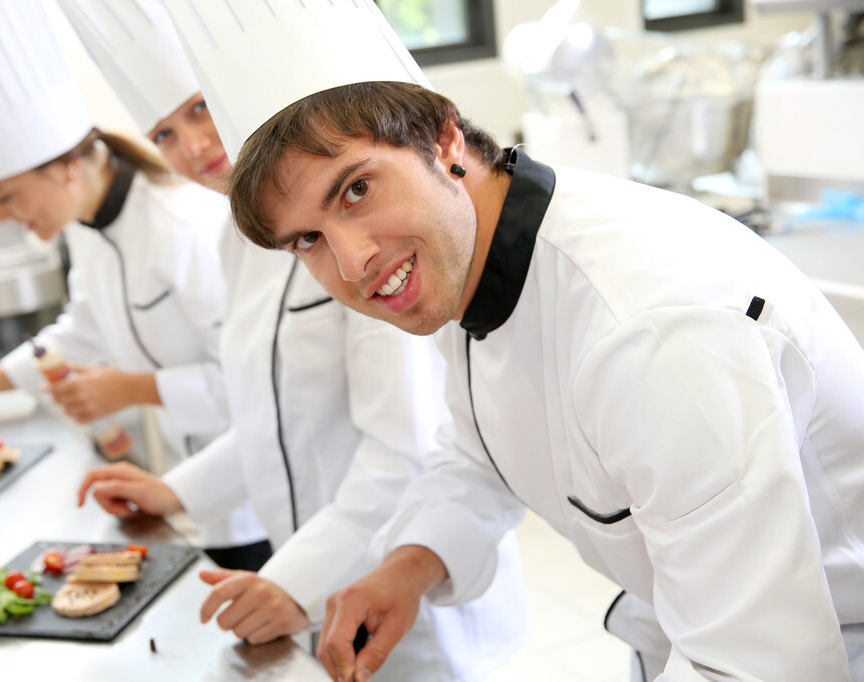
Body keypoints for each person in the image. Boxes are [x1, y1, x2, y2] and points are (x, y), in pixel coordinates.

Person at [168, 2, 864, 681]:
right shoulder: (463, 261)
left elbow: (764, 662)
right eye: (308, 239)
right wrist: (406, 568)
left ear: (442, 142)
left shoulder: (648, 329)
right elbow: (478, 452)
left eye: (355, 189)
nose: (351, 265)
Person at [60, 0, 531, 679]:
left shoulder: (382, 251)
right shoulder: (234, 239)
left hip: (415, 591)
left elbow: (404, 449)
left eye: (199, 108)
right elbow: (264, 416)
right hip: (318, 578)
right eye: (163, 133)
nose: (192, 145)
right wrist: (180, 492)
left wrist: (294, 581)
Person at [0, 0, 269, 571]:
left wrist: (131, 389)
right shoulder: (88, 227)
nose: (4, 218)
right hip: (187, 478)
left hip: (250, 486)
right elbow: (82, 328)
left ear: (65, 166)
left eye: (5, 197)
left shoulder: (182, 229)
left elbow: (249, 385)